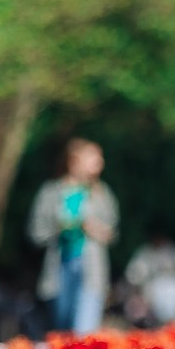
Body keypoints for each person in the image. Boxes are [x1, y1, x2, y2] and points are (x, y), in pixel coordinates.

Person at [28, 138, 117, 336]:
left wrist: (93, 228)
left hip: (90, 268)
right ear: (74, 160)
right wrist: (62, 228)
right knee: (62, 329)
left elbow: (111, 233)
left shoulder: (101, 193)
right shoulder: (51, 192)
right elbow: (36, 232)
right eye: (93, 157)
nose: (99, 162)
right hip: (59, 266)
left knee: (83, 331)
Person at [123, 235, 175, 327]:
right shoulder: (145, 253)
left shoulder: (171, 250)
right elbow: (134, 276)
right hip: (150, 298)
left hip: (173, 292)